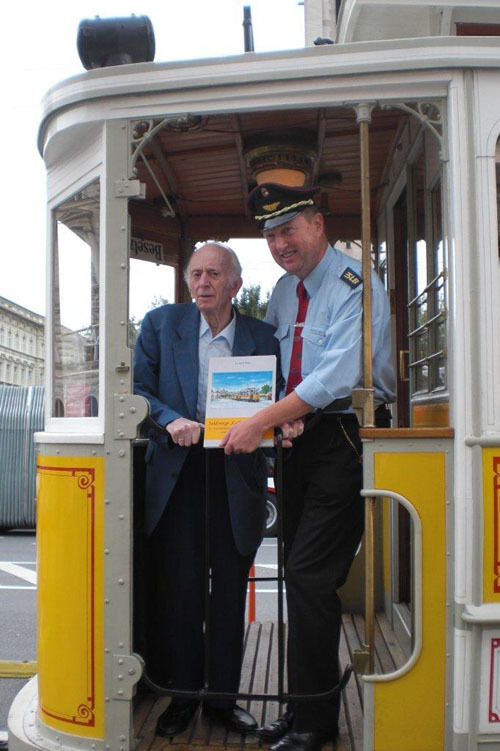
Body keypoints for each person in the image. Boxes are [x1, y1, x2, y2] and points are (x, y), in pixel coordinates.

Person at [220, 184, 396, 751]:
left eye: (288, 230)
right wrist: (284, 414)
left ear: (318, 225)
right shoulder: (283, 289)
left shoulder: (353, 281)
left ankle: (317, 724)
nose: (279, 244)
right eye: (270, 235)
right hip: (299, 437)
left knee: (311, 577)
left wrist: (261, 420)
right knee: (297, 578)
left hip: (344, 437)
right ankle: (301, 711)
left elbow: (338, 375)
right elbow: (282, 366)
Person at [134, 242, 298, 738]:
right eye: (196, 273)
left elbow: (277, 398)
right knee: (182, 594)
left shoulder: (262, 336)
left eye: (214, 274)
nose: (203, 282)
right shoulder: (161, 325)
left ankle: (223, 702)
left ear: (235, 285)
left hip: (237, 476)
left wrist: (284, 425)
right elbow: (138, 390)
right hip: (179, 477)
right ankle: (183, 698)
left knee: (228, 594)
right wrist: (169, 419)